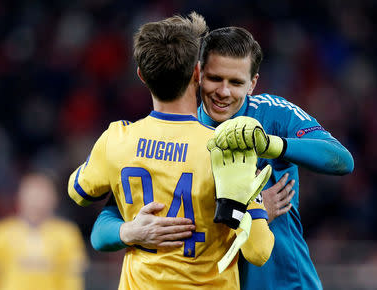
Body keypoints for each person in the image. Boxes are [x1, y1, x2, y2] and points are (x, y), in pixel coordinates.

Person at [91, 26, 354, 289]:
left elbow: (342, 160)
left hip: (287, 283)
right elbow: (103, 228)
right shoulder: (174, 129)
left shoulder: (273, 114)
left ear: (252, 84)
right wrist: (131, 231)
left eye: (236, 82)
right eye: (215, 78)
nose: (224, 92)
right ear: (198, 74)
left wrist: (271, 146)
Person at [67, 13, 274, 289]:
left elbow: (77, 192)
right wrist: (255, 211)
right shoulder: (226, 152)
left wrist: (128, 230)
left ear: (142, 75)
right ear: (198, 73)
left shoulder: (116, 140)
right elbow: (258, 252)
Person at [0, 172, 87, 290]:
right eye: (31, 195)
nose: (36, 201)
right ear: (19, 197)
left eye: (42, 195)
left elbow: (72, 278)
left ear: (54, 199)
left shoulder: (67, 234)